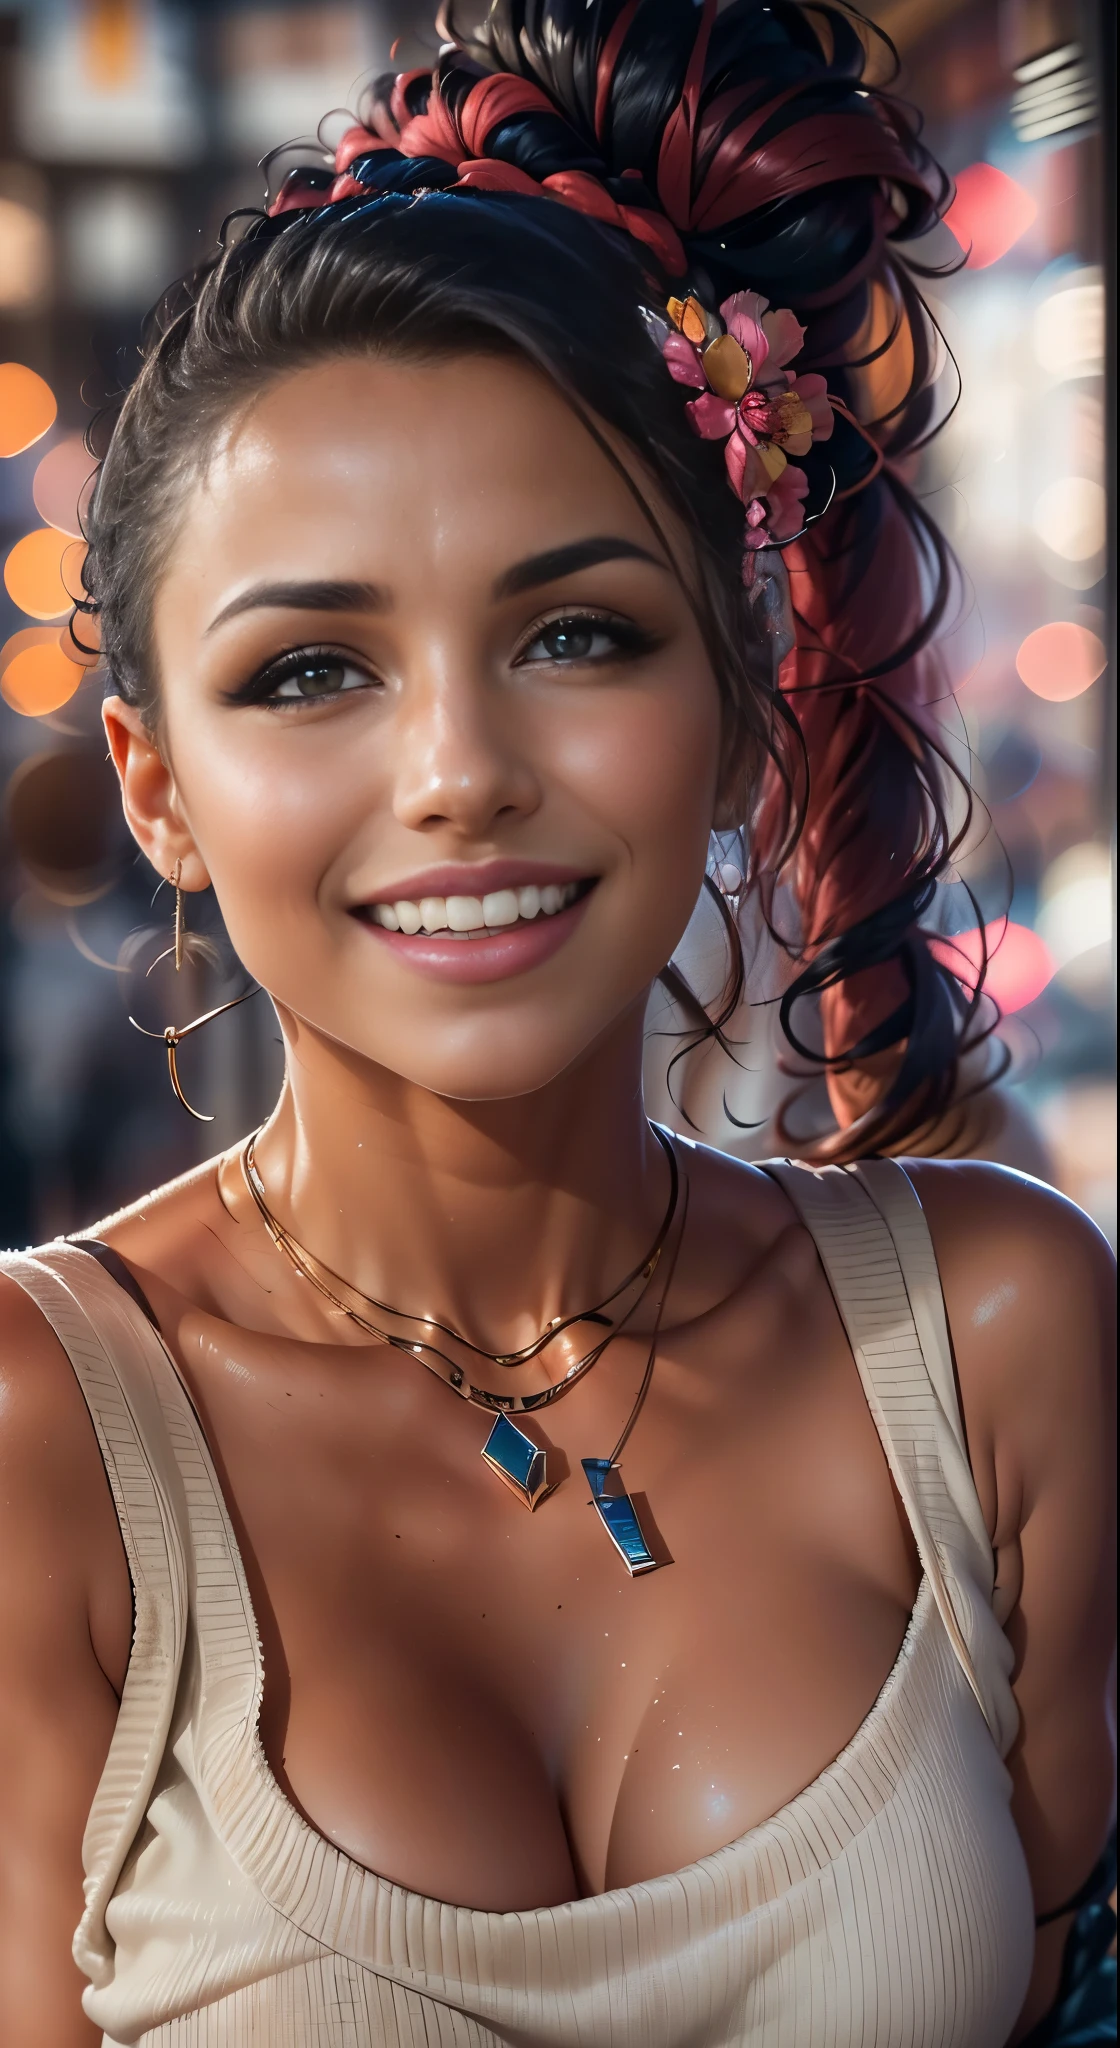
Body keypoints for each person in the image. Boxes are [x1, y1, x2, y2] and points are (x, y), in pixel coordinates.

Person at [0, 4, 1113, 2043]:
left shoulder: (996, 1334)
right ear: (158, 785)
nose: (456, 770)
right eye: (310, 669)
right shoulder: (38, 1434)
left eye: (573, 633)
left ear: (734, 712)